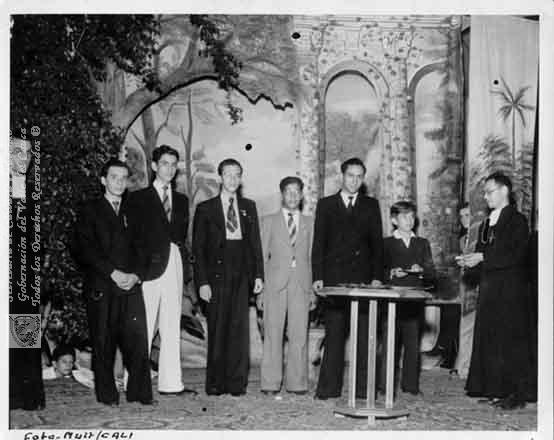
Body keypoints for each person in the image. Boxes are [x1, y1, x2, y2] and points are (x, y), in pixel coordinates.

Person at [73, 158, 153, 406]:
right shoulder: (90, 210)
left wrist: (136, 275)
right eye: (114, 177)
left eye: (123, 178)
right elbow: (84, 249)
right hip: (102, 286)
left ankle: (140, 394)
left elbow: (144, 249)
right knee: (103, 342)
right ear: (103, 180)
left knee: (137, 342)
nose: (119, 183)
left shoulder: (135, 211)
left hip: (131, 286)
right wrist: (112, 273)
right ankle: (107, 395)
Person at [457, 172, 534, 410]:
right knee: (489, 338)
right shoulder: (487, 222)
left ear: (504, 191)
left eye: (489, 192)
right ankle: (493, 390)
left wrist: (482, 257)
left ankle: (513, 394)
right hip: (490, 288)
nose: (485, 196)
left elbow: (516, 255)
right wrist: (471, 260)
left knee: (507, 340)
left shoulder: (517, 220)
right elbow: (484, 253)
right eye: (485, 192)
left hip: (510, 290)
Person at [312, 157, 384, 400]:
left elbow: (377, 246)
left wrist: (377, 277)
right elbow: (318, 243)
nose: (354, 180)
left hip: (363, 282)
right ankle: (328, 388)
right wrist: (318, 276)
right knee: (334, 334)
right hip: (334, 282)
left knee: (364, 336)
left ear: (363, 179)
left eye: (359, 176)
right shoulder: (326, 205)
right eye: (350, 175)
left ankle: (363, 390)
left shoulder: (371, 205)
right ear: (342, 176)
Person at [192, 158, 264, 396]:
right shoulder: (206, 208)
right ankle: (215, 383)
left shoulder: (249, 206)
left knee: (239, 331)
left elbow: (255, 244)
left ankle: (236, 383)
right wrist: (202, 282)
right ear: (220, 178)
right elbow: (198, 250)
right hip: (215, 276)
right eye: (228, 174)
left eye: (237, 175)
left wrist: (258, 275)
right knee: (218, 328)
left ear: (240, 178)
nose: (233, 179)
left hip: (241, 274)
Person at [127, 145, 194, 396]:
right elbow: (133, 238)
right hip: (147, 268)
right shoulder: (138, 198)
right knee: (143, 325)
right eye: (164, 163)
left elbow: (179, 237)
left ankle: (171, 383)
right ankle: (135, 383)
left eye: (173, 164)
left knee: (171, 324)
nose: (170, 169)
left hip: (173, 261)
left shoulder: (182, 200)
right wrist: (136, 271)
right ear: (154, 166)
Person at [258, 176, 317, 395]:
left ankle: (297, 383)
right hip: (274, 285)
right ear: (282, 194)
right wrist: (261, 290)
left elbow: (312, 258)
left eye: (296, 191)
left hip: (301, 284)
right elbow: (262, 258)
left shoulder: (310, 223)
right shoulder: (268, 221)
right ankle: (270, 383)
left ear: (301, 195)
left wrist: (312, 291)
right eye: (288, 191)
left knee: (299, 335)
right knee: (272, 334)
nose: (293, 196)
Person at [379, 201, 435, 396]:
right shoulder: (386, 243)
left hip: (414, 300)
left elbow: (432, 273)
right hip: (391, 301)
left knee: (412, 344)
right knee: (389, 344)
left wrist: (422, 271)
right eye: (404, 217)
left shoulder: (422, 243)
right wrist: (391, 273)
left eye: (412, 216)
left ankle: (411, 386)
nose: (409, 221)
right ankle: (385, 385)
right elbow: (378, 272)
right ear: (394, 220)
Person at [452, 202, 479, 379]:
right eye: (461, 216)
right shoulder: (463, 240)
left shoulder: (482, 237)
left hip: (480, 286)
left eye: (467, 215)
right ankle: (463, 367)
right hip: (467, 287)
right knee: (466, 326)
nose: (464, 219)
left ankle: (468, 367)